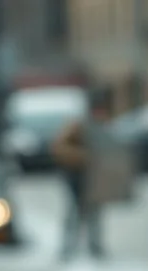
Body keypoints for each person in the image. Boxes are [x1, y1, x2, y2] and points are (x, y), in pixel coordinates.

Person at [52, 89, 113, 260]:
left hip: (95, 179)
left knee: (95, 214)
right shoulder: (76, 127)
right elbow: (59, 148)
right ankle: (68, 247)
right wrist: (85, 157)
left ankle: (95, 246)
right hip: (76, 177)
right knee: (73, 214)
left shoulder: (103, 126)